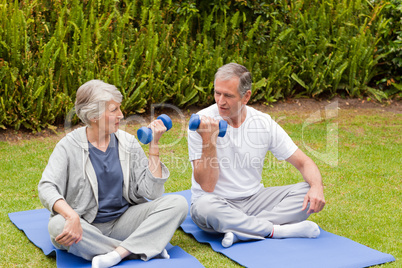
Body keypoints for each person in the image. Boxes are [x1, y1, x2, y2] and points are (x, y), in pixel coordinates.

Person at [38, 80, 188, 268]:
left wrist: (154, 147)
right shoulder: (69, 146)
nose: (121, 115)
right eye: (114, 110)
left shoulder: (127, 142)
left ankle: (117, 253)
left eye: (120, 109)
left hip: (125, 221)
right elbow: (46, 187)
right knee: (58, 227)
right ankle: (138, 249)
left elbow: (152, 193)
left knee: (178, 203)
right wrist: (72, 217)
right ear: (94, 115)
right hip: (87, 226)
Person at [188, 63, 325, 248]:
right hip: (216, 203)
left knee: (305, 192)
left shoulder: (263, 122)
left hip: (254, 200)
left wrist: (317, 187)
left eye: (228, 95)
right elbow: (207, 185)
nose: (220, 101)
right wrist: (209, 141)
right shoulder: (202, 121)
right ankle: (275, 230)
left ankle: (240, 230)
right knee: (204, 208)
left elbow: (304, 162)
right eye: (217, 93)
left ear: (246, 97)